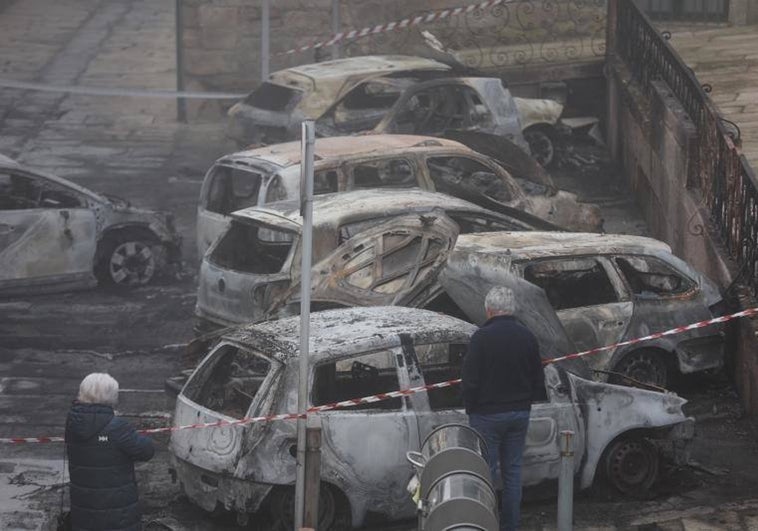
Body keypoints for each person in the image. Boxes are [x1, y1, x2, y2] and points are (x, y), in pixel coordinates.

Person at [462, 286, 547, 531]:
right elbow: (536, 376)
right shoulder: (527, 336)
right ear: (512, 310)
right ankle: (511, 526)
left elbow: (470, 379)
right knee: (513, 473)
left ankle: (487, 524)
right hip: (519, 414)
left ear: (488, 310)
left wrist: (471, 408)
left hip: (487, 415)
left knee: (485, 474)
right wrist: (526, 402)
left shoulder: (481, 338)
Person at [65, 373, 154, 531]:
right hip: (117, 513)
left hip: (84, 507)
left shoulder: (73, 423)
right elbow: (146, 451)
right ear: (111, 396)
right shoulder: (117, 427)